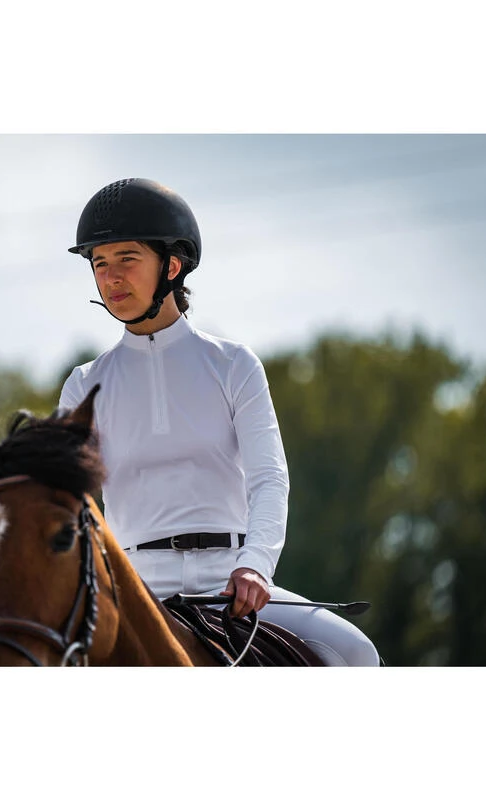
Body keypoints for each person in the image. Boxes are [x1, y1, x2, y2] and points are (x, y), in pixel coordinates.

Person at [59, 178, 379, 666]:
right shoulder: (83, 385)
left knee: (355, 653)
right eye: (99, 263)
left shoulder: (234, 365)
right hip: (134, 586)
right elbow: (66, 504)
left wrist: (255, 567)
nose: (110, 278)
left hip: (230, 582)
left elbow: (269, 478)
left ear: (171, 265)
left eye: (126, 259)